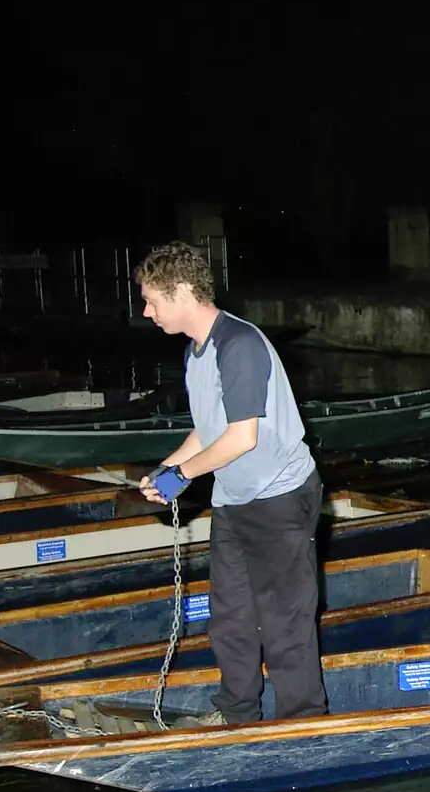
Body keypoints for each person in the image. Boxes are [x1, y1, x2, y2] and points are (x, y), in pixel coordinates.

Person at [136, 241, 326, 725]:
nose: (146, 310)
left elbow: (241, 437)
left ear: (181, 292)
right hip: (235, 500)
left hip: (280, 499)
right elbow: (209, 427)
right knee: (231, 618)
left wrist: (184, 475)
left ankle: (304, 727)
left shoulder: (239, 345)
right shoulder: (197, 354)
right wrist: (167, 467)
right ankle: (237, 715)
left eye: (152, 299)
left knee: (286, 623)